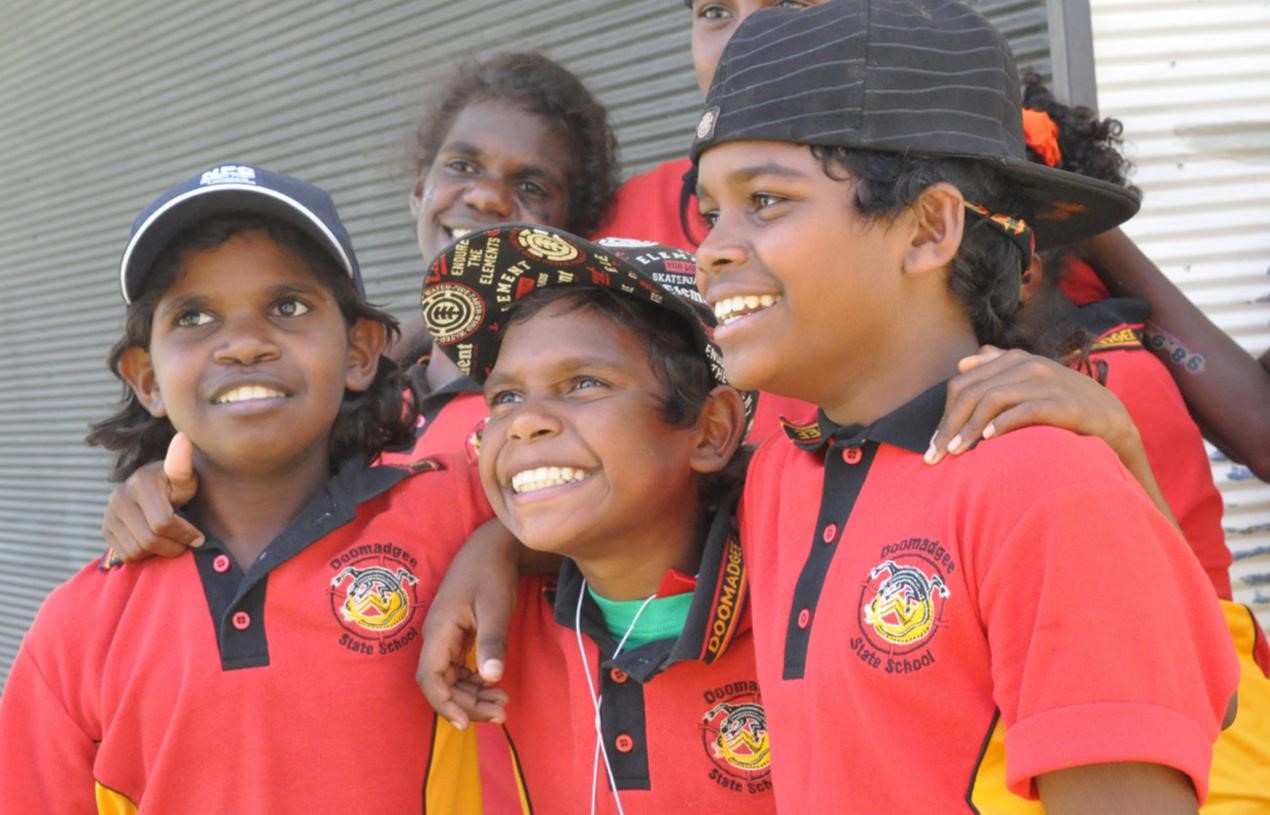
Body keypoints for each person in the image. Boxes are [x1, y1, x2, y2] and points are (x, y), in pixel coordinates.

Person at [690, 2, 1236, 812]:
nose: (711, 250)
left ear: (929, 228)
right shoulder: (781, 479)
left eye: (766, 199)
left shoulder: (1046, 483)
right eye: (710, 213)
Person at [0, 165, 493, 813]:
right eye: (195, 316)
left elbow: (607, 526)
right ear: (147, 378)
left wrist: (502, 545)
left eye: (288, 307)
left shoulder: (455, 510)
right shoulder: (78, 627)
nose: (243, 345)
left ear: (359, 351)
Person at [419, 224, 770, 813]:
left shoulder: (801, 606)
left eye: (584, 383)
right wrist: (495, 542)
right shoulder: (493, 634)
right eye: (505, 397)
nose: (524, 423)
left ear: (710, 431)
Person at [387, 51, 620, 463]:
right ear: (420, 189)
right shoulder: (362, 385)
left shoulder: (563, 409)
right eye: (462, 166)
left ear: (573, 230)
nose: (486, 197)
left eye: (531, 188)